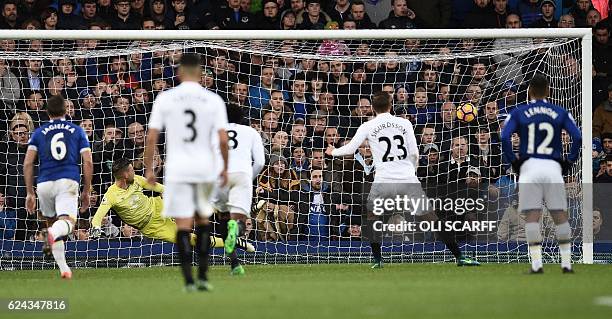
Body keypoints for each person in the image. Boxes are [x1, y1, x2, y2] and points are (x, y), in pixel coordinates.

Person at [325, 91, 480, 268]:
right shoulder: (404, 123)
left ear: (373, 108)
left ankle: (377, 260)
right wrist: (411, 172)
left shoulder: (367, 126)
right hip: (408, 179)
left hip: (383, 180)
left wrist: (333, 151)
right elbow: (414, 152)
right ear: (391, 105)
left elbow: (351, 148)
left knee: (372, 218)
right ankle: (459, 257)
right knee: (432, 219)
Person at [144, 53, 229, 292]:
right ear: (201, 73)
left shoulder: (166, 98)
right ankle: (203, 276)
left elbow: (151, 137)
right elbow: (223, 139)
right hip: (204, 167)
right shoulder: (213, 100)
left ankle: (188, 281)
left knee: (182, 224)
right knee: (203, 220)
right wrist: (224, 166)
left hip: (177, 168)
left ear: (179, 72)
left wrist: (150, 169)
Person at [501, 74, 582, 274]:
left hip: (530, 167)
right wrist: (569, 161)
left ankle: (537, 265)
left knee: (532, 215)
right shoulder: (559, 111)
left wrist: (514, 161)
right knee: (559, 214)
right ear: (548, 91)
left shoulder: (519, 112)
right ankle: (566, 264)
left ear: (529, 91)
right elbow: (577, 136)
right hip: (552, 166)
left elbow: (504, 136)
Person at [89, 159, 254, 252]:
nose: (134, 172)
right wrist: (95, 227)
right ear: (125, 175)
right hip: (152, 226)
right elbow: (97, 217)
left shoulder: (137, 180)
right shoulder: (111, 194)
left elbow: (161, 188)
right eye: (131, 170)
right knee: (193, 240)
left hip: (158, 206)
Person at [23, 95, 93, 279]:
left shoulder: (38, 132)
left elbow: (28, 163)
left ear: (47, 111)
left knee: (53, 223)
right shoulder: (77, 130)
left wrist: (30, 192)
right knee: (67, 223)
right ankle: (51, 234)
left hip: (44, 182)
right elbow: (87, 161)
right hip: (67, 180)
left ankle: (64, 269)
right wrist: (87, 190)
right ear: (65, 110)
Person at [212, 103, 265, 276]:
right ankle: (236, 229)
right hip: (241, 175)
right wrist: (248, 179)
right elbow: (260, 162)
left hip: (220, 177)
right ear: (242, 118)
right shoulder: (251, 132)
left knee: (222, 219)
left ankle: (235, 264)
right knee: (240, 220)